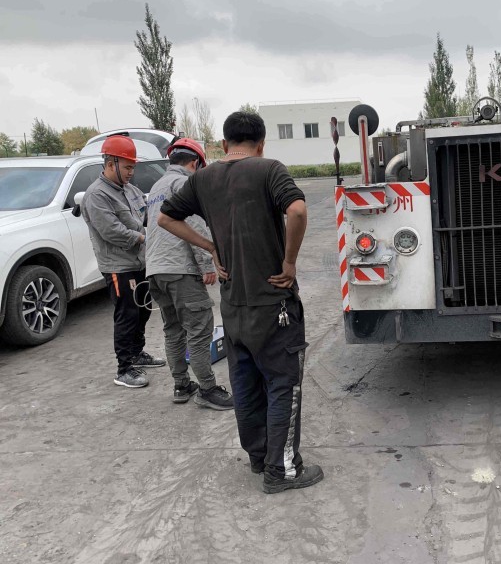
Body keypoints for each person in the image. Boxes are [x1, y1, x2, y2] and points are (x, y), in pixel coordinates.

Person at [158, 111, 323, 494]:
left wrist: (211, 246)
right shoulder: (269, 169)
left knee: (245, 383)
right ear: (261, 143)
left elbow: (165, 218)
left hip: (233, 307)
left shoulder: (202, 178)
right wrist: (289, 262)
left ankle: (259, 457)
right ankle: (282, 471)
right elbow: (297, 210)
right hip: (273, 305)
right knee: (282, 383)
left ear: (224, 142)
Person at [145, 137, 235, 410]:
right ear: (195, 163)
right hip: (180, 269)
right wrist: (207, 263)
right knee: (199, 328)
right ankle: (207, 389)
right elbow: (195, 223)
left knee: (173, 328)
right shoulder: (185, 183)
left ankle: (181, 384)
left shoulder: (157, 186)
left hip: (156, 270)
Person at [81, 134, 165, 388]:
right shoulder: (97, 195)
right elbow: (112, 231)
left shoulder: (130, 190)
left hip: (139, 262)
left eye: (133, 167)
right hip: (119, 266)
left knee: (143, 309)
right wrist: (144, 238)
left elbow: (147, 214)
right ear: (111, 164)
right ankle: (124, 368)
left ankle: (137, 353)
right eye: (128, 167)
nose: (131, 172)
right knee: (127, 314)